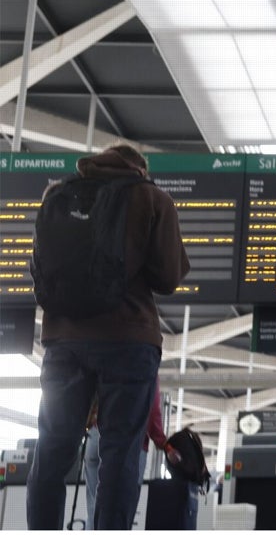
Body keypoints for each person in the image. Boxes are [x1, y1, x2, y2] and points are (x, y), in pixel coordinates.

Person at [27, 144, 189, 531]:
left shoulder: (57, 194)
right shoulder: (152, 197)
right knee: (120, 452)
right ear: (140, 167)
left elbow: (38, 268)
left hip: (62, 340)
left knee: (52, 447)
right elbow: (168, 278)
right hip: (128, 341)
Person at [84, 378, 179, 530]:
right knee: (120, 511)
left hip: (95, 437)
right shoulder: (145, 362)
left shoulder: (107, 355)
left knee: (94, 509)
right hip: (129, 443)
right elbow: (152, 410)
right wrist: (164, 444)